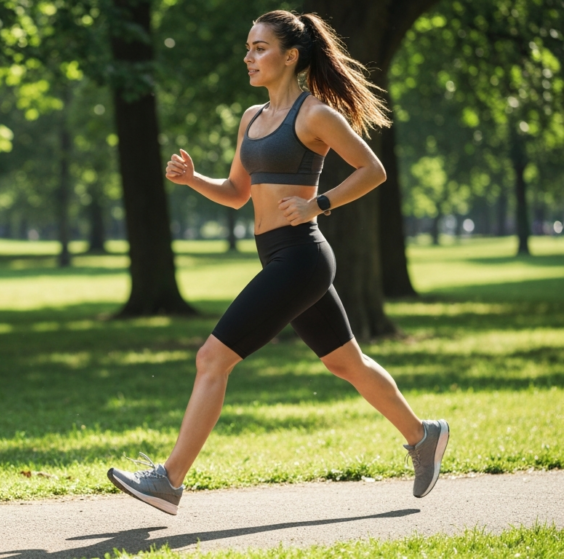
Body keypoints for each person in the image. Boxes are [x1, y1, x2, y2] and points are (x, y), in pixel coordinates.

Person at [107, 10, 449, 516]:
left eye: (260, 48)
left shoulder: (315, 115)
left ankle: (169, 481)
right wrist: (193, 179)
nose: (249, 56)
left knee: (211, 358)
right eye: (248, 47)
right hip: (278, 257)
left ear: (290, 56)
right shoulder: (251, 117)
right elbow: (237, 193)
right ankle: (424, 436)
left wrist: (319, 204)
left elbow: (371, 170)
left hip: (303, 256)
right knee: (344, 362)